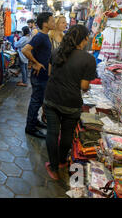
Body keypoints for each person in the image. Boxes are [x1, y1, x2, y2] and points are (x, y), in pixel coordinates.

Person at [43, 25, 96, 180]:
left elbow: (50, 74)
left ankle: (53, 168)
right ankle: (61, 162)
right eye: (87, 38)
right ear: (84, 39)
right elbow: (84, 87)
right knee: (67, 134)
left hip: (52, 98)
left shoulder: (56, 52)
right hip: (71, 103)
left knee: (52, 133)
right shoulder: (88, 59)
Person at [22, 12, 56, 138]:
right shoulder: (40, 36)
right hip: (39, 75)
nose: (54, 23)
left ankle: (34, 121)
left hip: (42, 75)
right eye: (52, 21)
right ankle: (30, 127)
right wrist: (35, 63)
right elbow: (25, 49)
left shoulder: (45, 36)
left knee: (38, 100)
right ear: (45, 23)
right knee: (36, 101)